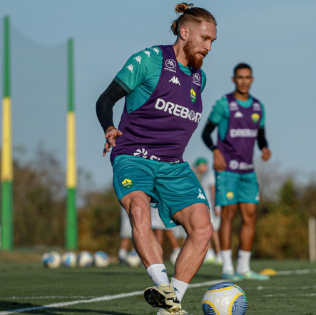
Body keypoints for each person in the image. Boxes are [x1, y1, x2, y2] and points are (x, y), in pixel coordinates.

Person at [95, 3, 217, 314]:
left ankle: (170, 305)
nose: (208, 47)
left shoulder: (199, 79)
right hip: (133, 157)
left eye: (212, 42)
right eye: (204, 39)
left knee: (203, 228)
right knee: (138, 209)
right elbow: (106, 98)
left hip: (173, 165)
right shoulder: (149, 61)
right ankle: (162, 285)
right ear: (184, 32)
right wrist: (109, 126)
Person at [201, 62, 271, 281]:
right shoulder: (224, 104)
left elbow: (260, 135)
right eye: (240, 77)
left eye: (247, 77)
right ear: (234, 80)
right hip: (227, 170)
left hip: (248, 172)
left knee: (250, 215)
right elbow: (206, 133)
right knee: (228, 215)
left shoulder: (258, 107)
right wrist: (215, 151)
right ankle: (227, 267)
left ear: (252, 80)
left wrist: (265, 148)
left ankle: (244, 267)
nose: (243, 81)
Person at [193, 157, 222, 265]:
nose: (198, 168)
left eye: (199, 166)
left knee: (214, 231)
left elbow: (213, 190)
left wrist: (215, 206)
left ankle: (219, 254)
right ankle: (210, 253)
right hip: (207, 207)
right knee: (207, 230)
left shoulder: (210, 175)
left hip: (212, 206)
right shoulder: (204, 176)